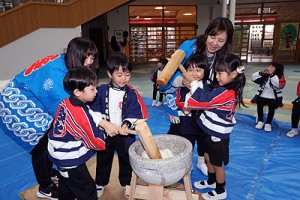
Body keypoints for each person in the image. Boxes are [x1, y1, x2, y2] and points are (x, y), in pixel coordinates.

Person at [0, 37, 100, 200]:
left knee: (49, 138)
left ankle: (48, 171)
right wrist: (99, 123)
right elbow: (69, 111)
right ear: (75, 55)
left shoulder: (64, 61)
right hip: (18, 104)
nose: (89, 62)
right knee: (39, 146)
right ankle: (44, 187)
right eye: (86, 57)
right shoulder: (56, 75)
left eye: (92, 57)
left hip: (34, 98)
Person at [162, 16, 234, 174]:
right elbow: (171, 70)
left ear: (227, 41)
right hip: (182, 99)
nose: (215, 43)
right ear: (207, 33)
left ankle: (202, 159)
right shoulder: (190, 46)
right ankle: (178, 160)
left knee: (205, 131)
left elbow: (226, 80)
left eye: (221, 40)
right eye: (212, 37)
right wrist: (181, 81)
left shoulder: (224, 57)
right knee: (179, 129)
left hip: (206, 100)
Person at [48, 67, 118, 200]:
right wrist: (106, 134)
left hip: (57, 153)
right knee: (87, 189)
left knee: (67, 185)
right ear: (77, 92)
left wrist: (104, 123)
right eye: (92, 89)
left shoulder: (67, 102)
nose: (96, 92)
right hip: (68, 159)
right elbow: (95, 140)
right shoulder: (79, 114)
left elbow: (88, 113)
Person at [183, 54, 246, 200]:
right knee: (207, 157)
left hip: (217, 135)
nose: (217, 76)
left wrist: (193, 84)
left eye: (220, 73)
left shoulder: (228, 93)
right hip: (209, 130)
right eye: (216, 72)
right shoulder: (221, 87)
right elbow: (205, 93)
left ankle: (220, 189)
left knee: (217, 164)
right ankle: (211, 181)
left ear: (233, 74)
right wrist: (194, 85)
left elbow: (203, 101)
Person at [89, 52, 148, 198]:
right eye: (119, 75)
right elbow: (93, 111)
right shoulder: (101, 90)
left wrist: (126, 124)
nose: (124, 79)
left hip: (125, 134)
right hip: (106, 134)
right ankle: (100, 183)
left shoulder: (132, 93)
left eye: (127, 74)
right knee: (103, 158)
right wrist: (105, 125)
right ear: (109, 74)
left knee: (127, 158)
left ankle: (127, 184)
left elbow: (135, 112)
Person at [176, 53, 209, 176]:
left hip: (203, 121)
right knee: (188, 144)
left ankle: (201, 163)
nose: (194, 74)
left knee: (203, 143)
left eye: (198, 70)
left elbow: (206, 101)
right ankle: (187, 165)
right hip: (187, 121)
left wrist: (194, 89)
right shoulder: (183, 87)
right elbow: (179, 101)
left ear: (205, 71)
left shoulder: (207, 87)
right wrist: (189, 90)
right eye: (190, 70)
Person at [251, 62, 285, 132]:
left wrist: (271, 75)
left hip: (273, 96)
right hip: (262, 95)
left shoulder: (279, 77)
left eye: (272, 67)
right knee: (259, 107)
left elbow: (278, 85)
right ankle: (260, 121)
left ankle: (268, 123)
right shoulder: (265, 76)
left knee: (271, 109)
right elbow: (253, 77)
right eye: (269, 66)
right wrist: (261, 73)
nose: (269, 68)